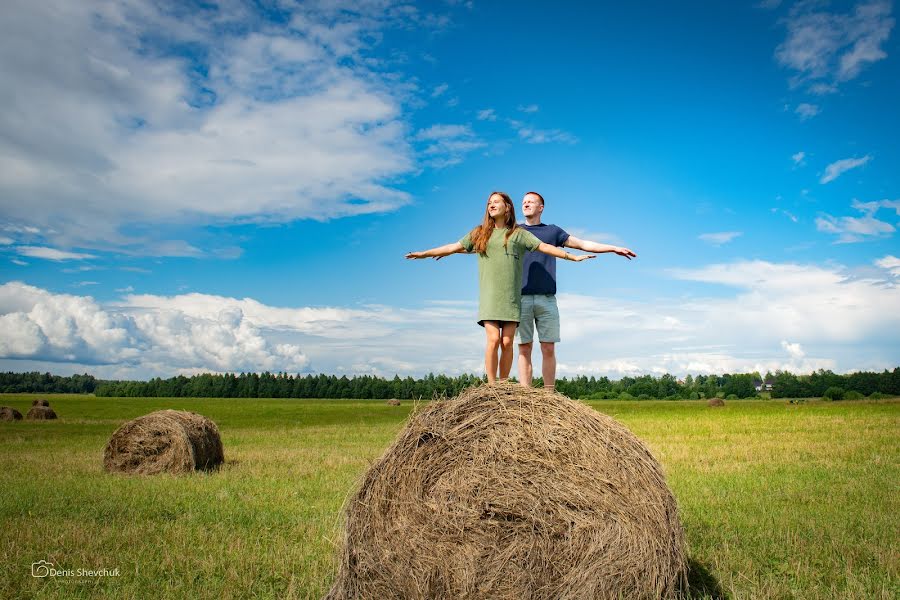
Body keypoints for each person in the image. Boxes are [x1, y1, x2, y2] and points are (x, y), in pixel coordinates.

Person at [406, 191, 595, 383]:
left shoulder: (518, 234)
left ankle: (503, 385)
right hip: (490, 297)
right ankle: (491, 386)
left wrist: (571, 257)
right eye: (489, 203)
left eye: (496, 202)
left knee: (507, 342)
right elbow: (454, 246)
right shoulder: (480, 233)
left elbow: (544, 247)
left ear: (508, 207)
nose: (491, 205)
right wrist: (425, 253)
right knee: (494, 339)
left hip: (512, 298)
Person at [517, 191, 637, 391]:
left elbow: (582, 244)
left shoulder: (552, 231)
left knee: (548, 347)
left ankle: (549, 395)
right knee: (524, 348)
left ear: (541, 207)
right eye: (523, 202)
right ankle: (524, 395)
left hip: (547, 298)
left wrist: (613, 248)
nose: (526, 204)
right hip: (521, 297)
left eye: (531, 201)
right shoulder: (515, 231)